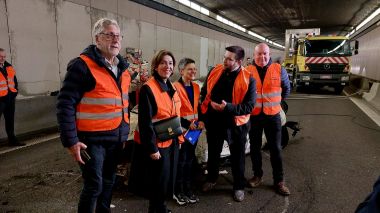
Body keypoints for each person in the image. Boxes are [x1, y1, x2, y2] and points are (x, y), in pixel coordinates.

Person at [56, 18, 131, 212]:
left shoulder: (122, 68)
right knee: (94, 185)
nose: (115, 40)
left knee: (108, 182)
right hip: (91, 140)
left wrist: (123, 134)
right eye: (109, 35)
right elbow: (65, 105)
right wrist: (71, 140)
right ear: (97, 39)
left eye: (118, 36)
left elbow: (122, 103)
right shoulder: (82, 66)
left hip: (114, 139)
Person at [199, 46, 256, 202]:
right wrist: (206, 107)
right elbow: (204, 91)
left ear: (238, 61)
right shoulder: (215, 70)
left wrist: (228, 107)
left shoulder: (248, 78)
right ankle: (211, 179)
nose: (224, 61)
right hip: (214, 123)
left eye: (229, 59)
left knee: (238, 158)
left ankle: (238, 186)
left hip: (236, 125)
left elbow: (250, 106)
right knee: (213, 154)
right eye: (224, 57)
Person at [137, 50, 183, 213]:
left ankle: (161, 208)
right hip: (158, 144)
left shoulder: (170, 85)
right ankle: (155, 209)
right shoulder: (148, 89)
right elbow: (145, 123)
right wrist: (152, 148)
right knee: (158, 181)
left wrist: (180, 138)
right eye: (163, 63)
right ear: (156, 66)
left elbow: (175, 113)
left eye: (170, 63)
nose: (167, 66)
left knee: (166, 179)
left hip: (171, 140)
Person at [246, 43, 291, 196]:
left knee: (276, 149)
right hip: (255, 116)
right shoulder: (247, 71)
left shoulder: (279, 69)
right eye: (259, 54)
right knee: (254, 147)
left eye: (265, 54)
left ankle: (279, 181)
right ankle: (257, 175)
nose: (262, 57)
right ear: (254, 55)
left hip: (272, 116)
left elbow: (286, 89)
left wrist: (276, 103)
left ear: (269, 54)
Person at [172, 58, 204, 205]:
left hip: (194, 131)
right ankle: (178, 191)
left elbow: (198, 109)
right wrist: (186, 123)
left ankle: (187, 189)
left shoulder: (196, 87)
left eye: (194, 69)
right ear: (181, 71)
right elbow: (172, 112)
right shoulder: (174, 87)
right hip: (181, 131)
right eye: (190, 69)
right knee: (181, 162)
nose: (193, 71)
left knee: (190, 161)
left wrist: (202, 120)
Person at [0, 48, 25, 146]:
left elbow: (14, 80)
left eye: (4, 56)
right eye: (0, 56)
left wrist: (15, 92)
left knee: (10, 120)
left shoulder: (8, 66)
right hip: (0, 99)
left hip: (10, 98)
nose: (2, 58)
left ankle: (12, 140)